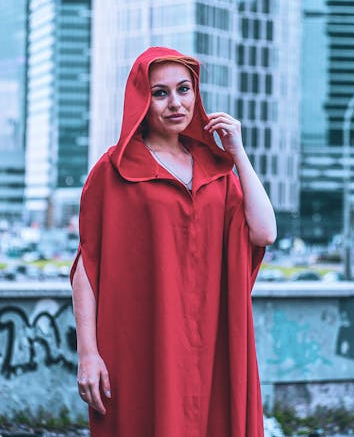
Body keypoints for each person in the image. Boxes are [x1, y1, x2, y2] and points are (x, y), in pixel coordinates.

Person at [70, 46, 276, 436]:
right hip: (139, 344)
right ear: (141, 100)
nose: (175, 103)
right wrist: (88, 354)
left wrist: (238, 153)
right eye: (160, 92)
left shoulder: (220, 173)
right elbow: (87, 267)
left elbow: (265, 232)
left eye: (184, 89)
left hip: (211, 344)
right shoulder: (113, 172)